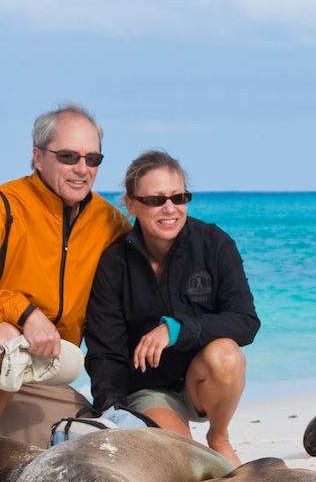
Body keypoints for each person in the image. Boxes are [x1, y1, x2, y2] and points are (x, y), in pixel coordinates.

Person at [0, 103, 131, 447]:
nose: (82, 169)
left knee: (90, 443)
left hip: (42, 369)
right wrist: (25, 314)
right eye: (68, 157)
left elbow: (125, 307)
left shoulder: (110, 223)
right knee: (0, 337)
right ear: (38, 157)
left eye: (92, 159)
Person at [85, 150, 259, 465]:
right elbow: (105, 350)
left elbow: (246, 322)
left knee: (227, 355)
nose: (170, 209)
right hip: (150, 389)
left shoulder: (215, 244)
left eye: (178, 197)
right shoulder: (113, 262)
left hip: (204, 381)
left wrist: (176, 329)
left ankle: (219, 438)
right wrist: (112, 411)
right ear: (132, 205)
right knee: (187, 465)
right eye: (155, 200)